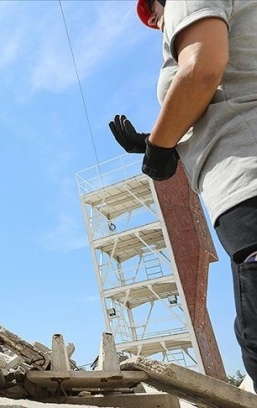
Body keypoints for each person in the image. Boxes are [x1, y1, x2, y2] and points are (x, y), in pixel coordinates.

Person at [109, 0, 257, 387]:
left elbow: (202, 70)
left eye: (152, 11)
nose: (156, 21)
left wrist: (159, 147)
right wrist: (159, 140)